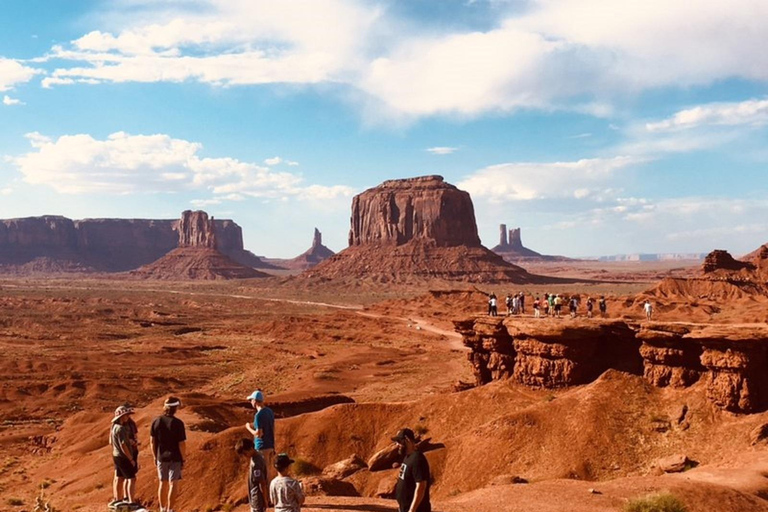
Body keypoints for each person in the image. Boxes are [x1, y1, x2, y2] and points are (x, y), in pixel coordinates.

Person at [150, 396, 186, 512]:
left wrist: (155, 456)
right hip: (175, 457)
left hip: (161, 457)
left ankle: (162, 508)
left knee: (162, 482)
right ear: (175, 408)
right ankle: (170, 509)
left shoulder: (156, 421)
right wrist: (183, 459)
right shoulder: (178, 423)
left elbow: (152, 441)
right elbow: (181, 444)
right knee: (173, 483)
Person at [393, 428, 431, 512]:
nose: (396, 445)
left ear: (407, 439)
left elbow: (421, 486)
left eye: (399, 442)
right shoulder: (407, 458)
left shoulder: (417, 459)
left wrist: (412, 510)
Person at [109, 405, 138, 508]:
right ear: (121, 416)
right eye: (125, 415)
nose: (127, 417)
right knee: (131, 478)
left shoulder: (114, 427)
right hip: (124, 456)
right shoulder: (121, 428)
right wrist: (131, 459)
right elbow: (123, 445)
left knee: (119, 477)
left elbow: (111, 442)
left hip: (116, 455)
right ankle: (131, 501)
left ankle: (118, 499)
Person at [245, 390, 276, 482]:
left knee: (262, 475)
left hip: (262, 447)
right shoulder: (269, 411)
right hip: (270, 446)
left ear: (255, 401)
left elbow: (259, 434)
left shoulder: (259, 415)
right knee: (268, 473)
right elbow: (273, 429)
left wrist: (248, 428)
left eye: (251, 400)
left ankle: (265, 495)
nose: (250, 402)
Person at [235, 438, 269, 512]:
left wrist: (265, 499)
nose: (244, 456)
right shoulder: (257, 456)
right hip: (255, 498)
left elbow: (262, 483)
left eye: (245, 453)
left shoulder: (256, 463)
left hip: (257, 499)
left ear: (250, 448)